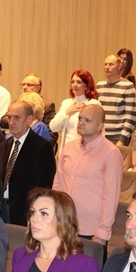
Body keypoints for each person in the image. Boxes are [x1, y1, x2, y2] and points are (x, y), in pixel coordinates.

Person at [53, 105, 121, 245]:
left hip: (91, 230)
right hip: (63, 223)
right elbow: (57, 184)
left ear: (99, 126)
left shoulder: (111, 152)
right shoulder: (69, 147)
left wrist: (102, 232)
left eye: (87, 120)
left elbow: (111, 196)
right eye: (80, 118)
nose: (81, 122)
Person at [0, 101, 56, 226]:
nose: (11, 122)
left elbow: (45, 184)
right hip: (1, 207)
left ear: (29, 119)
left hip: (24, 210)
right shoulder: (4, 145)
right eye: (9, 117)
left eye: (17, 117)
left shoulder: (41, 146)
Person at [49, 70, 101, 157]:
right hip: (66, 151)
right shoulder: (66, 103)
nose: (74, 85)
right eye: (72, 82)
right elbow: (53, 127)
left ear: (86, 86)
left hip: (85, 152)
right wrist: (67, 112)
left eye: (79, 82)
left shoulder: (94, 104)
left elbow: (98, 131)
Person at [96, 54, 136, 147]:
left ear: (120, 66)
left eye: (111, 64)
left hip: (117, 138)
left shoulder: (128, 86)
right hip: (100, 136)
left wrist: (122, 140)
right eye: (105, 64)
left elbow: (131, 117)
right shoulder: (99, 86)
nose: (107, 67)